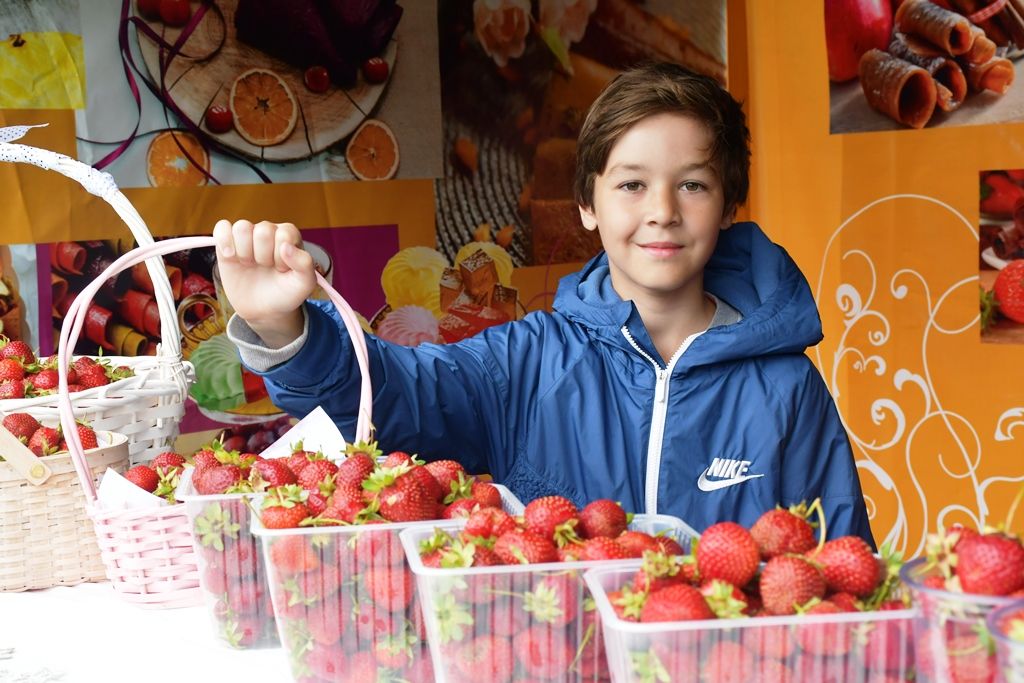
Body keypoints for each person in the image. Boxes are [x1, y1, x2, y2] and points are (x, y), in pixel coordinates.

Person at [215, 62, 874, 544]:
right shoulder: (527, 359)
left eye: (693, 185)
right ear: (587, 204)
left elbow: (844, 572)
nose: (662, 212)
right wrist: (285, 326)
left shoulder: (787, 387)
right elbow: (391, 395)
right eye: (632, 185)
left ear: (730, 204)